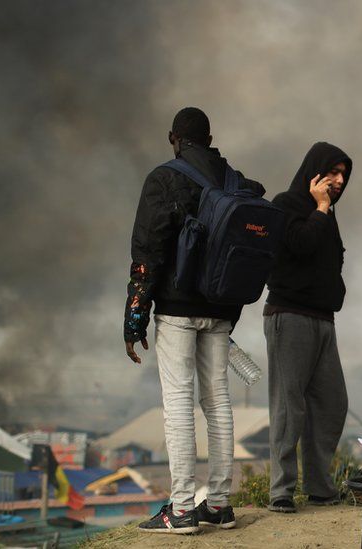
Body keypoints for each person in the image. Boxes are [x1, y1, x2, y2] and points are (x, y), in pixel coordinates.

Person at [124, 107, 261, 533]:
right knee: (218, 402)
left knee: (179, 404)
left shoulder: (164, 178)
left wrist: (135, 318)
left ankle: (181, 509)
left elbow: (148, 251)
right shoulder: (235, 182)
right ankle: (218, 504)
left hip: (178, 310)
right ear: (209, 137)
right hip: (221, 309)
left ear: (174, 139)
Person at [263, 142, 352, 513]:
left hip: (322, 320)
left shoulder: (327, 216)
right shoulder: (286, 205)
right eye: (332, 171)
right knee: (289, 406)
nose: (339, 180)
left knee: (332, 404)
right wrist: (319, 209)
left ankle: (320, 487)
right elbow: (298, 246)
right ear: (313, 171)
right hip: (290, 316)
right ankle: (280, 491)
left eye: (344, 175)